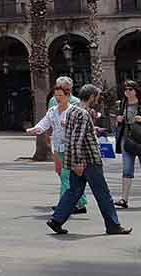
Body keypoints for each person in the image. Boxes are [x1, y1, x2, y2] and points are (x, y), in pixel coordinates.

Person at [48, 84, 133, 236]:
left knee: (74, 191)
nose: (98, 99)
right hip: (88, 161)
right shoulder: (82, 113)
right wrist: (77, 162)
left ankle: (56, 220)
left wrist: (93, 131)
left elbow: (75, 134)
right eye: (97, 96)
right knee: (103, 193)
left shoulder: (72, 110)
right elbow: (76, 139)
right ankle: (113, 225)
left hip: (80, 160)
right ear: (92, 96)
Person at [27, 76, 87, 214]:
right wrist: (37, 130)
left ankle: (66, 204)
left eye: (61, 94)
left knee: (67, 175)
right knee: (65, 175)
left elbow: (82, 124)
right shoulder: (53, 108)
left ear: (68, 92)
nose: (57, 98)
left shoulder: (75, 106)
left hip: (72, 147)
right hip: (58, 145)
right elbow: (45, 122)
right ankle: (79, 202)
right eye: (56, 94)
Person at [114, 81, 141, 209]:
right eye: (125, 89)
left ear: (136, 90)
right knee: (127, 170)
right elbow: (120, 121)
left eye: (130, 89)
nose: (127, 91)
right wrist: (119, 120)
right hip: (127, 139)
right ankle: (124, 199)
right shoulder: (123, 103)